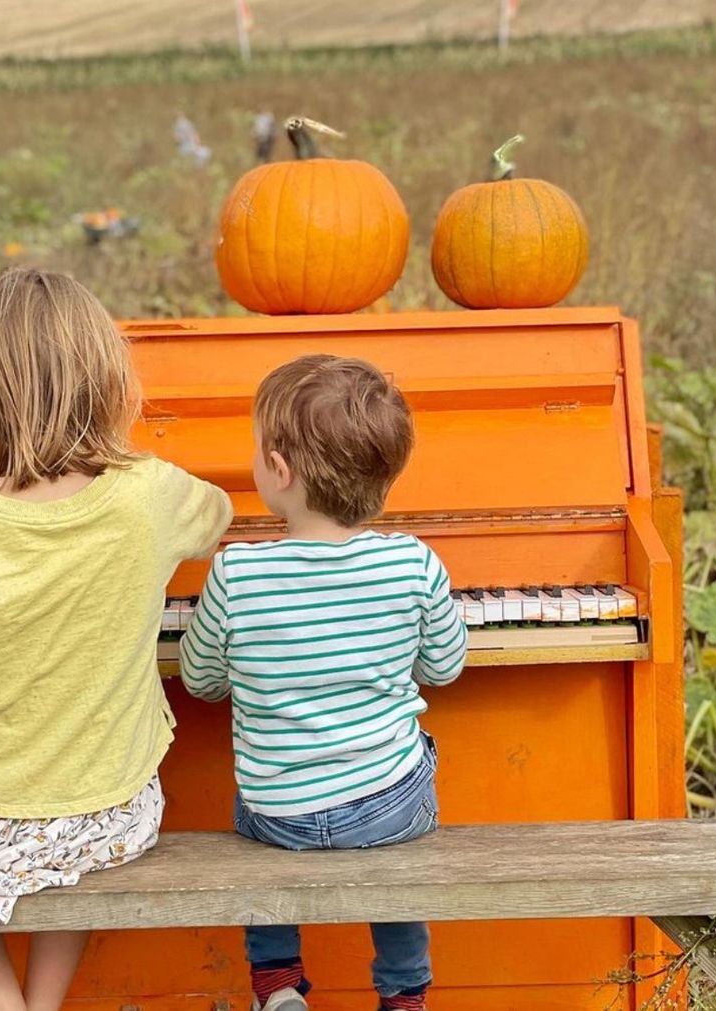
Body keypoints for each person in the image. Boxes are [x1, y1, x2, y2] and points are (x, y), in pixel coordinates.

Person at [0, 267, 233, 1011]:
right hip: (112, 815)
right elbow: (217, 512)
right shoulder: (151, 494)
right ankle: (43, 1001)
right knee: (72, 854)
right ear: (107, 379)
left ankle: (7, 1006)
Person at [179, 354, 466, 1011]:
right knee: (402, 804)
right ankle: (404, 993)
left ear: (277, 471)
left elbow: (200, 680)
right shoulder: (413, 561)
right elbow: (446, 666)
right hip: (391, 803)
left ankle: (277, 981)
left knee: (254, 804)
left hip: (280, 812)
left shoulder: (236, 573)